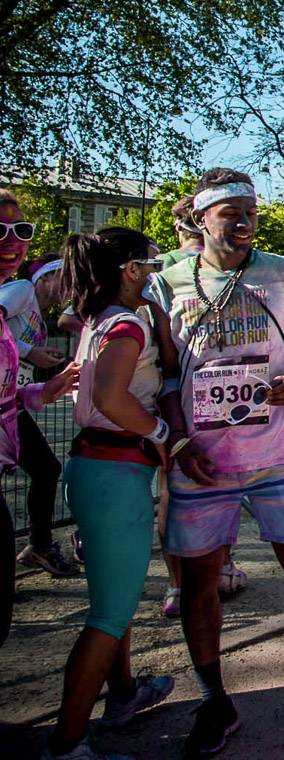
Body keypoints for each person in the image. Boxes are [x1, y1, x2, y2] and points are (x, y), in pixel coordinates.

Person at [149, 169, 284, 757]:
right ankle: (214, 698)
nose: (242, 221)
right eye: (229, 211)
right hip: (202, 463)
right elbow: (161, 373)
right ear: (200, 218)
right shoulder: (167, 281)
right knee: (200, 584)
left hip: (278, 456)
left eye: (250, 211)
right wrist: (177, 439)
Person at [43, 228, 178, 760]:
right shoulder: (125, 326)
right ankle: (66, 744)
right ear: (130, 269)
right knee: (107, 618)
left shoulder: (105, 317)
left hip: (96, 470)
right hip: (115, 471)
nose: (159, 271)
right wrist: (162, 434)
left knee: (111, 607)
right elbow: (110, 397)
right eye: (153, 262)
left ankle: (122, 694)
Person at [1, 189, 79, 650]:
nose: (13, 241)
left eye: (21, 231)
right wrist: (31, 352)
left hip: (9, 425)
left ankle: (38, 546)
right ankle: (40, 546)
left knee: (45, 468)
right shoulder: (22, 288)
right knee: (48, 468)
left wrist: (38, 390)